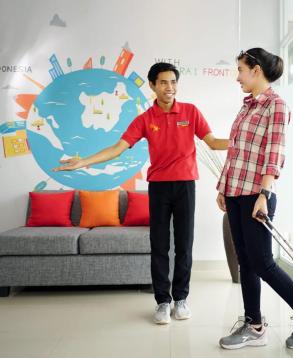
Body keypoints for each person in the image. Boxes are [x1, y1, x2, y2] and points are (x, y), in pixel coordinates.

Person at [54, 62, 229, 325]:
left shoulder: (191, 112)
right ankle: (162, 302)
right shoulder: (145, 119)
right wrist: (84, 162)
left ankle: (181, 299)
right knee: (159, 246)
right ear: (152, 86)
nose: (169, 88)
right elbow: (117, 148)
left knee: (184, 245)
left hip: (185, 186)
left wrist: (243, 140)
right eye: (163, 83)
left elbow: (213, 143)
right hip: (158, 188)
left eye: (173, 82)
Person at [215, 48, 293, 350]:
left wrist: (264, 194)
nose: (237, 77)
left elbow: (273, 154)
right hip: (236, 193)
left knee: (262, 262)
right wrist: (223, 188)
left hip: (256, 196)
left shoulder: (276, 106)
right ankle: (254, 324)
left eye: (240, 70)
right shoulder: (246, 107)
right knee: (245, 263)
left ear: (256, 70)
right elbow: (236, 151)